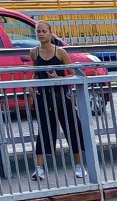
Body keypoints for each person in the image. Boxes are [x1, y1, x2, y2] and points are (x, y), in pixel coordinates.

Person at [29, 19, 80, 181]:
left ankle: (79, 166)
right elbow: (36, 73)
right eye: (38, 31)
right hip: (43, 96)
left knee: (72, 128)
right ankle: (39, 169)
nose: (41, 34)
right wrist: (31, 86)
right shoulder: (34, 52)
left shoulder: (60, 52)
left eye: (44, 31)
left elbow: (72, 73)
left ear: (50, 33)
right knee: (44, 130)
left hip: (60, 95)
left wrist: (58, 78)